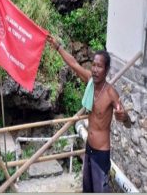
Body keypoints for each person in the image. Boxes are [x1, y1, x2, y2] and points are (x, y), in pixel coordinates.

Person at [46, 35, 131, 192]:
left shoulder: (111, 94)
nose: (95, 69)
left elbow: (127, 122)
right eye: (93, 65)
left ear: (106, 70)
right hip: (89, 149)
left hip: (101, 154)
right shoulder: (90, 81)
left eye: (99, 66)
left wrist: (124, 117)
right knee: (87, 189)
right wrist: (58, 47)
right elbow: (73, 64)